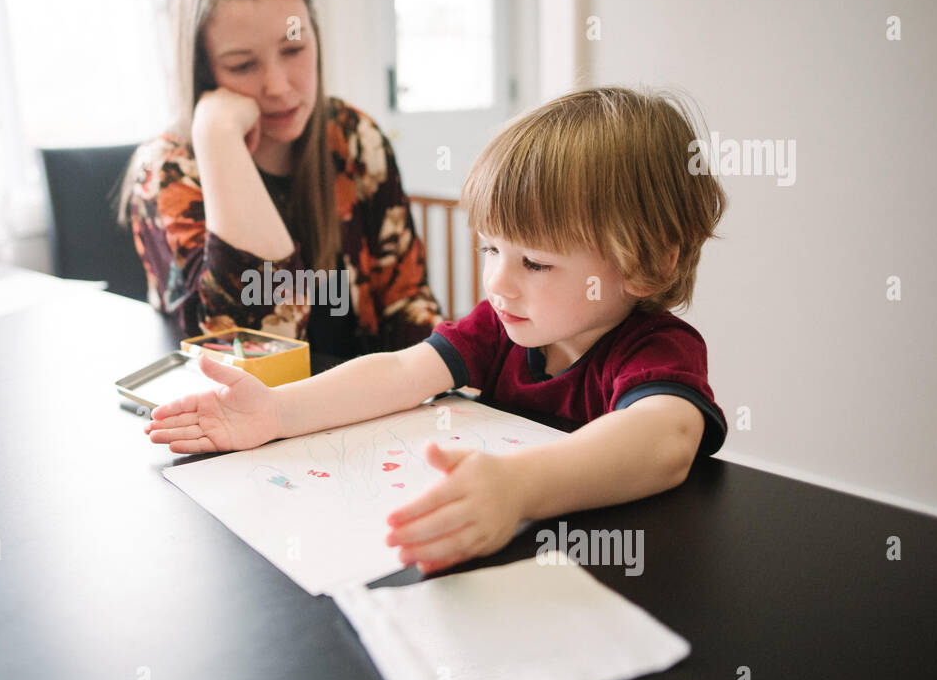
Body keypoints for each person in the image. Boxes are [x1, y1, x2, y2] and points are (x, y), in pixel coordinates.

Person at [144, 86, 730, 575]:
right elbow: (402, 371)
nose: (497, 284)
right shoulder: (503, 329)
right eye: (490, 248)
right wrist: (277, 412)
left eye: (536, 263)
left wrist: (517, 487)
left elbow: (664, 442)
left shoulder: (657, 350)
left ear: (646, 263)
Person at [118, 0, 441, 357]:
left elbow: (407, 302)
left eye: (293, 48)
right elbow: (249, 347)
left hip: (367, 409)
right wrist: (218, 139)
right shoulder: (167, 172)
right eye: (242, 64)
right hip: (242, 414)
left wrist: (444, 377)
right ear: (204, 69)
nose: (278, 86)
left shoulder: (353, 139)